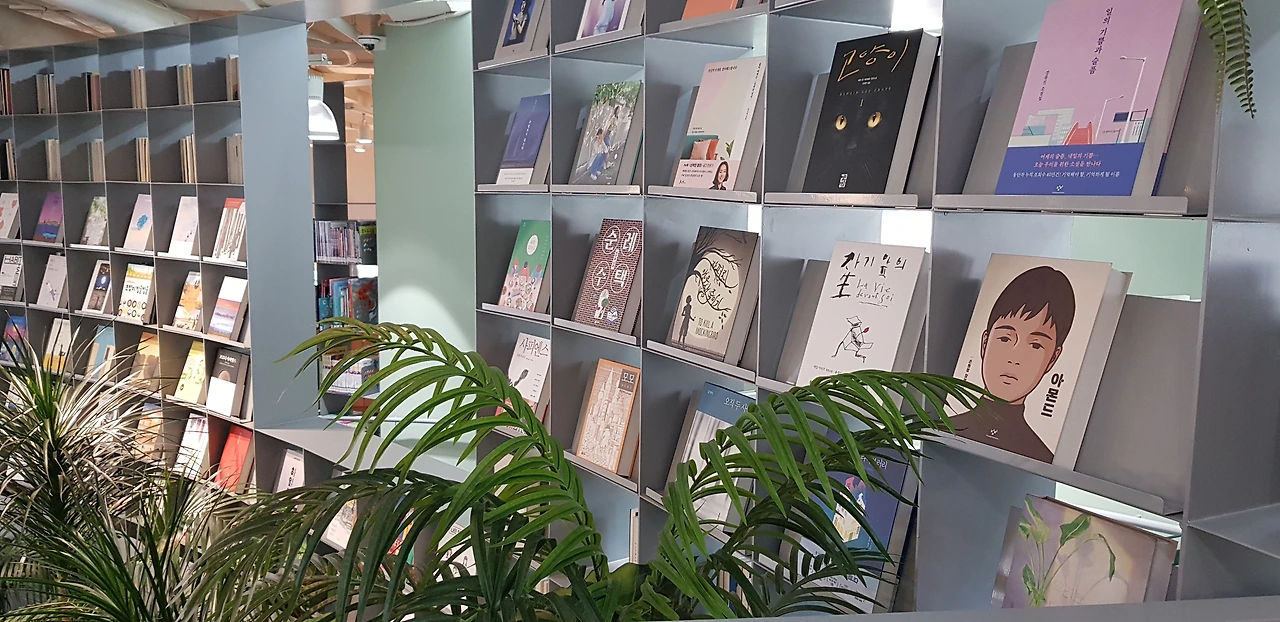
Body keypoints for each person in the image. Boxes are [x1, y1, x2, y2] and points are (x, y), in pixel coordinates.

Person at [948, 265, 1076, 463]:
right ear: (984, 343)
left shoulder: (1042, 458)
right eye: (1005, 339)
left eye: (1035, 345)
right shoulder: (944, 429)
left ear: (1052, 359)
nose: (1014, 358)